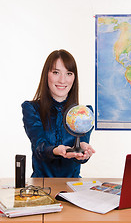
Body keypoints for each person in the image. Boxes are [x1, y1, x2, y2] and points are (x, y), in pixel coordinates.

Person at [22, 49, 95, 177]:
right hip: (41, 186)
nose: (62, 80)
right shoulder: (31, 108)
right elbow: (40, 147)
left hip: (72, 188)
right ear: (47, 75)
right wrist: (56, 151)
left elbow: (80, 152)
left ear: (74, 78)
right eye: (56, 72)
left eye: (69, 73)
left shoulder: (83, 113)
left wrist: (83, 152)